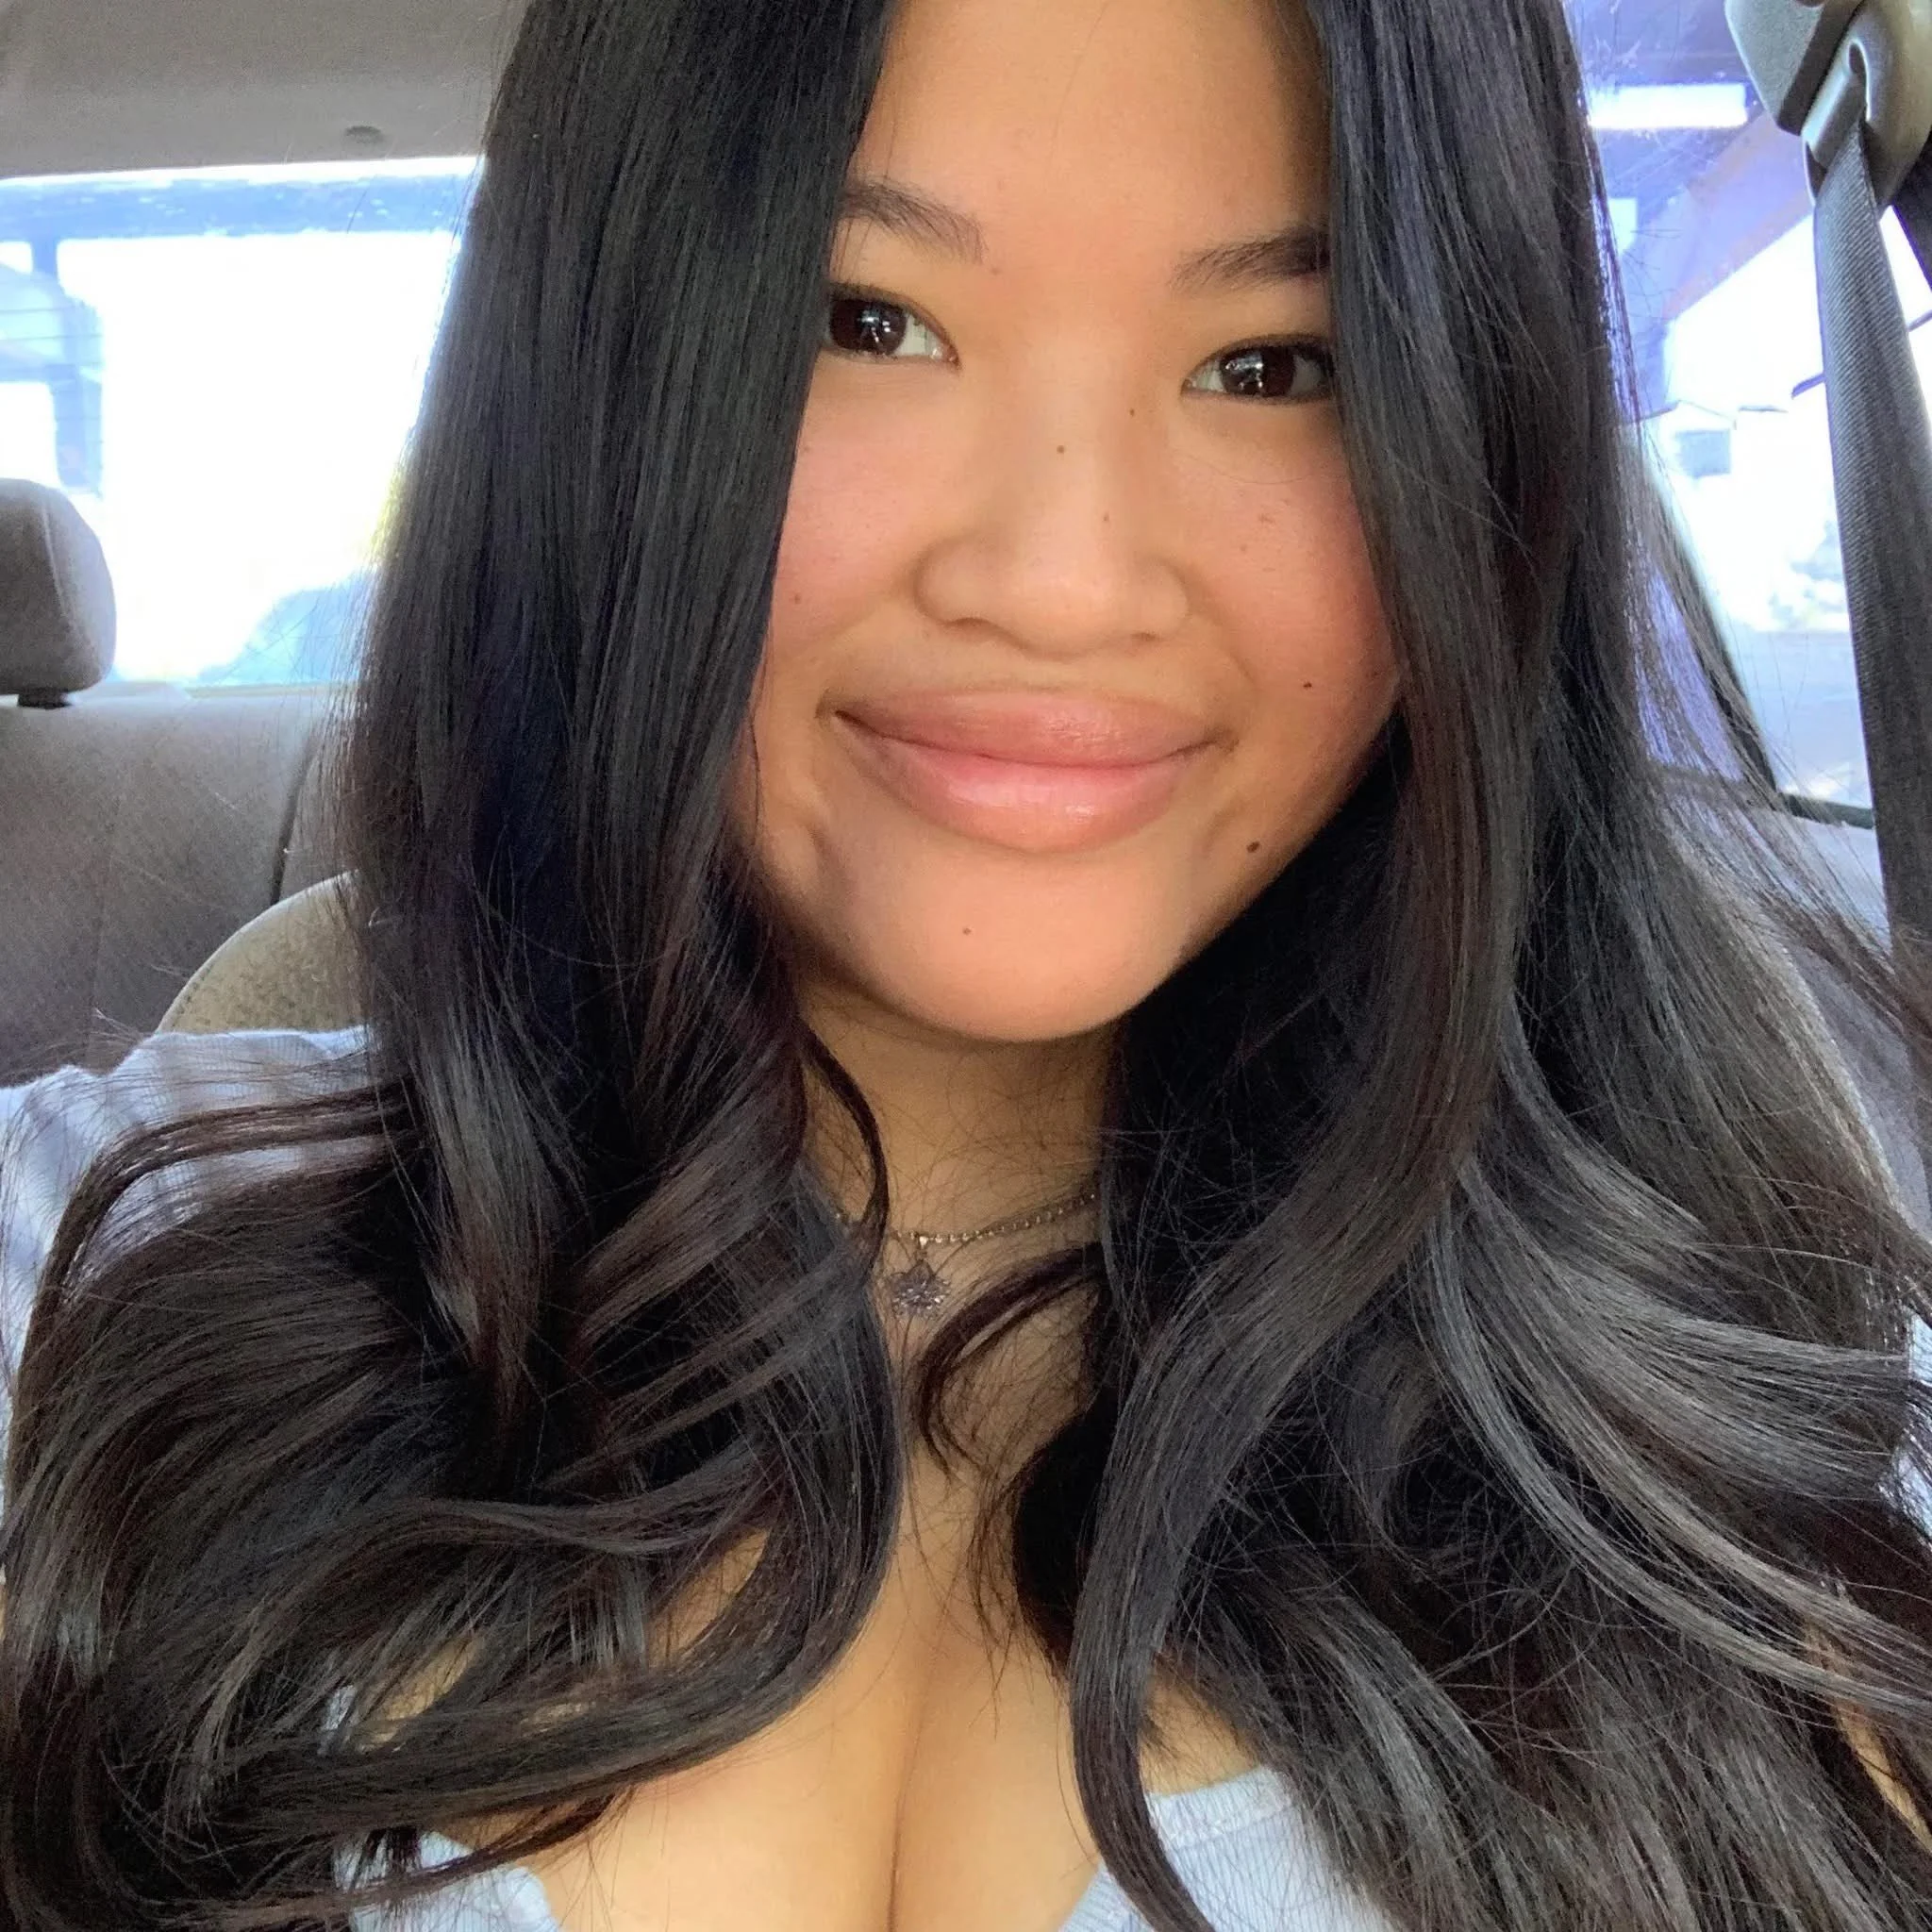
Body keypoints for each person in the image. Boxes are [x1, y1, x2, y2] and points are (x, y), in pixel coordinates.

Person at [4, 0, 1932, 1924]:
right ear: (593, 385)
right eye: (866, 322)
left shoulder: (1783, 1433)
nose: (1060, 579)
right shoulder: (97, 1259)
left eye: (1277, 364)